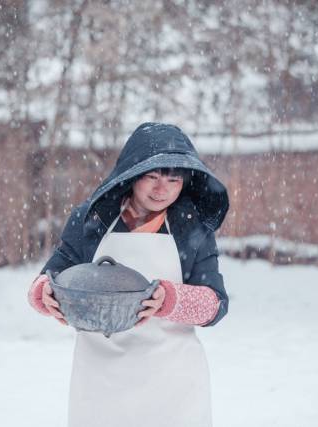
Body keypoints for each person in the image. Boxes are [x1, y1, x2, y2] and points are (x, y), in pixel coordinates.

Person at [27, 122, 229, 427]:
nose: (162, 189)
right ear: (133, 174)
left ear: (185, 182)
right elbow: (57, 270)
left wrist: (169, 299)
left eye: (174, 180)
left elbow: (215, 305)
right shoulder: (92, 218)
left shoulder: (192, 228)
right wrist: (44, 293)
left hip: (172, 383)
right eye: (152, 177)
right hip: (100, 382)